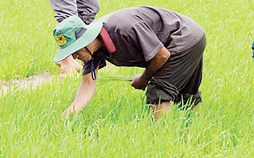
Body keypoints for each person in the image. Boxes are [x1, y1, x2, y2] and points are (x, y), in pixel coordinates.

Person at [53, 7, 205, 119]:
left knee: (158, 92)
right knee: (187, 96)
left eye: (74, 49)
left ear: (85, 38)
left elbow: (162, 55)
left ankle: (164, 138)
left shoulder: (123, 29)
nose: (74, 55)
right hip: (189, 37)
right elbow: (87, 84)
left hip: (183, 37)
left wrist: (144, 79)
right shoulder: (91, 52)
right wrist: (70, 113)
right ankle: (195, 131)